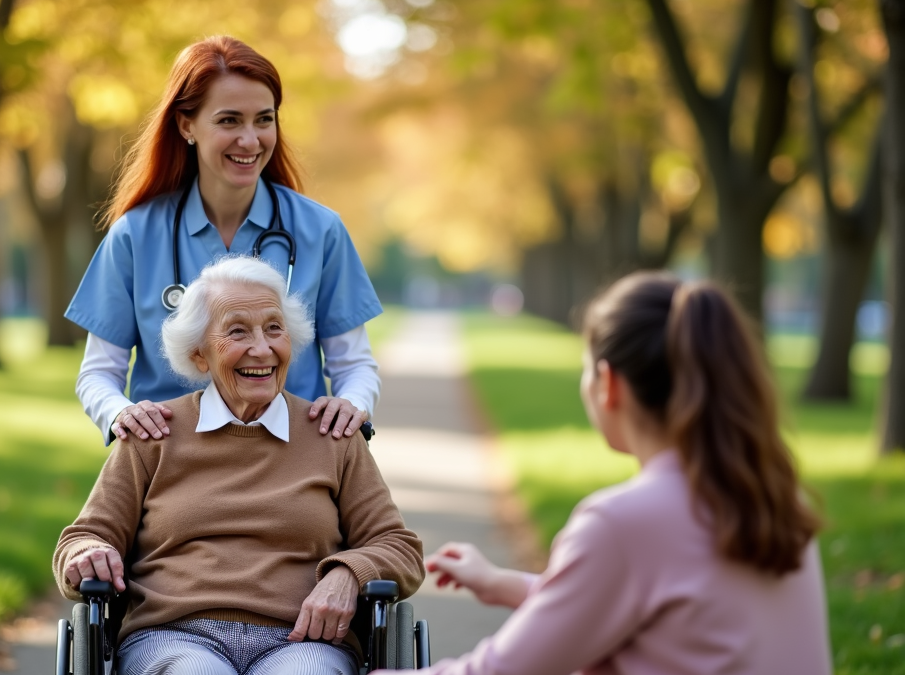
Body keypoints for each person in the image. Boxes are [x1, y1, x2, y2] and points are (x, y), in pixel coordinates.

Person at [405, 272, 832, 675]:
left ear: (608, 383)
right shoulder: (779, 499)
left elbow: (497, 671)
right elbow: (659, 603)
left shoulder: (622, 523)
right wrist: (503, 584)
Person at [53, 256, 424, 674]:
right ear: (199, 354)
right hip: (174, 636)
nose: (262, 349)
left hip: (302, 641)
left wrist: (351, 573)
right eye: (237, 331)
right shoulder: (152, 435)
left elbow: (400, 549)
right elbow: (82, 538)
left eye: (274, 329)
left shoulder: (333, 435)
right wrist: (89, 553)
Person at [66, 35, 381, 447]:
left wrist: (351, 405)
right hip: (172, 462)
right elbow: (98, 373)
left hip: (294, 460)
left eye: (264, 120)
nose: (250, 140)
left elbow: (354, 365)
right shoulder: (136, 234)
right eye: (229, 120)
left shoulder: (320, 230)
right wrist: (122, 414)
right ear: (186, 125)